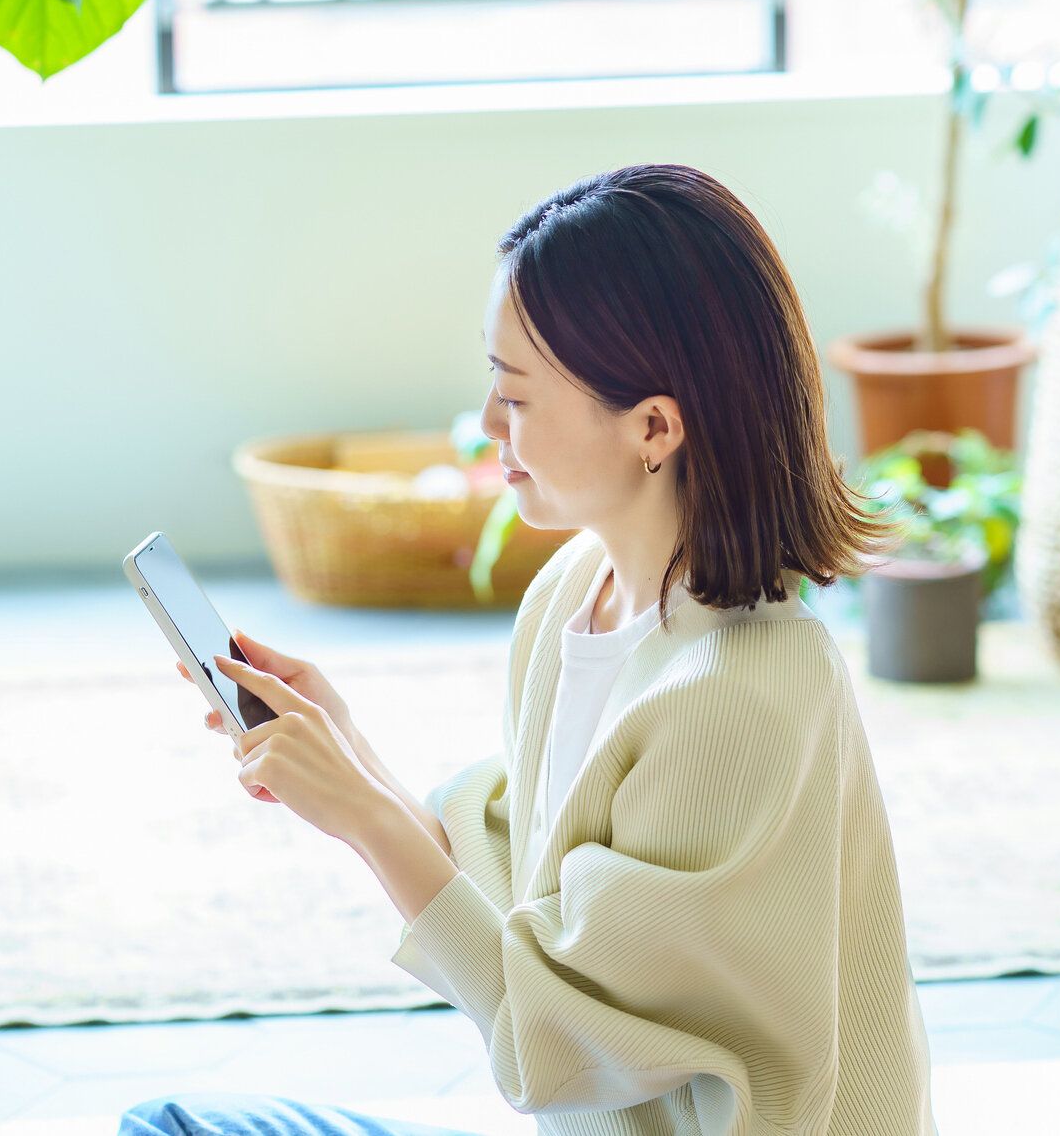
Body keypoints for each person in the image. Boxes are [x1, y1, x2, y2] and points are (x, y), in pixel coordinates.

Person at [124, 164, 936, 1135]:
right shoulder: (571, 594)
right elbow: (519, 903)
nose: (486, 426)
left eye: (515, 397)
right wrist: (344, 750)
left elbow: (550, 1047)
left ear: (653, 427)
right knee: (172, 1120)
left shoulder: (741, 695)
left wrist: (361, 816)